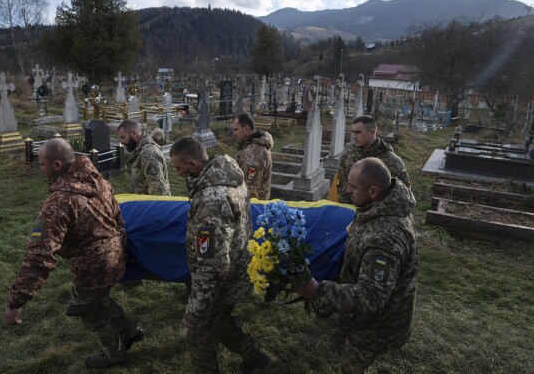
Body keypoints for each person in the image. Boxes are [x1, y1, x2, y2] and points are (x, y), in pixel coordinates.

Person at [4, 138, 143, 370]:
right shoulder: (100, 183)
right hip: (113, 257)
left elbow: (39, 255)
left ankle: (116, 354)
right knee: (100, 300)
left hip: (91, 268)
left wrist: (17, 301)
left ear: (57, 165)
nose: (40, 169)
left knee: (88, 311)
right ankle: (130, 331)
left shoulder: (59, 203)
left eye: (41, 164)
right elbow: (119, 220)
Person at [293, 157, 418, 374]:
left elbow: (371, 296)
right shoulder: (381, 206)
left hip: (374, 327)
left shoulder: (385, 240)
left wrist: (317, 291)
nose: (347, 190)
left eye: (353, 186)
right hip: (358, 318)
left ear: (373, 191)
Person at [169, 136, 270, 374]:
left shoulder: (211, 201)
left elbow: (212, 266)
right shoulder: (229, 173)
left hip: (220, 284)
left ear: (193, 164)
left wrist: (195, 311)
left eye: (179, 168)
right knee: (220, 321)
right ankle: (253, 356)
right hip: (236, 271)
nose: (177, 173)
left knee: (200, 341)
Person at [327, 115, 410, 204]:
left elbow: (404, 196)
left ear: (372, 132)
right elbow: (341, 188)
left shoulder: (393, 162)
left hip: (377, 215)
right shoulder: (348, 157)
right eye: (353, 132)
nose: (354, 137)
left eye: (358, 132)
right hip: (348, 212)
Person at [117, 119, 171, 196]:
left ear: (134, 133)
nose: (121, 142)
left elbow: (158, 191)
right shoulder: (140, 151)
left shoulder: (149, 153)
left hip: (150, 206)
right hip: (143, 204)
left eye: (123, 137)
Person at [232, 112, 273, 200]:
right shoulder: (250, 146)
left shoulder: (254, 154)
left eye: (236, 129)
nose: (234, 134)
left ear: (246, 128)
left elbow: (249, 190)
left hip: (253, 208)